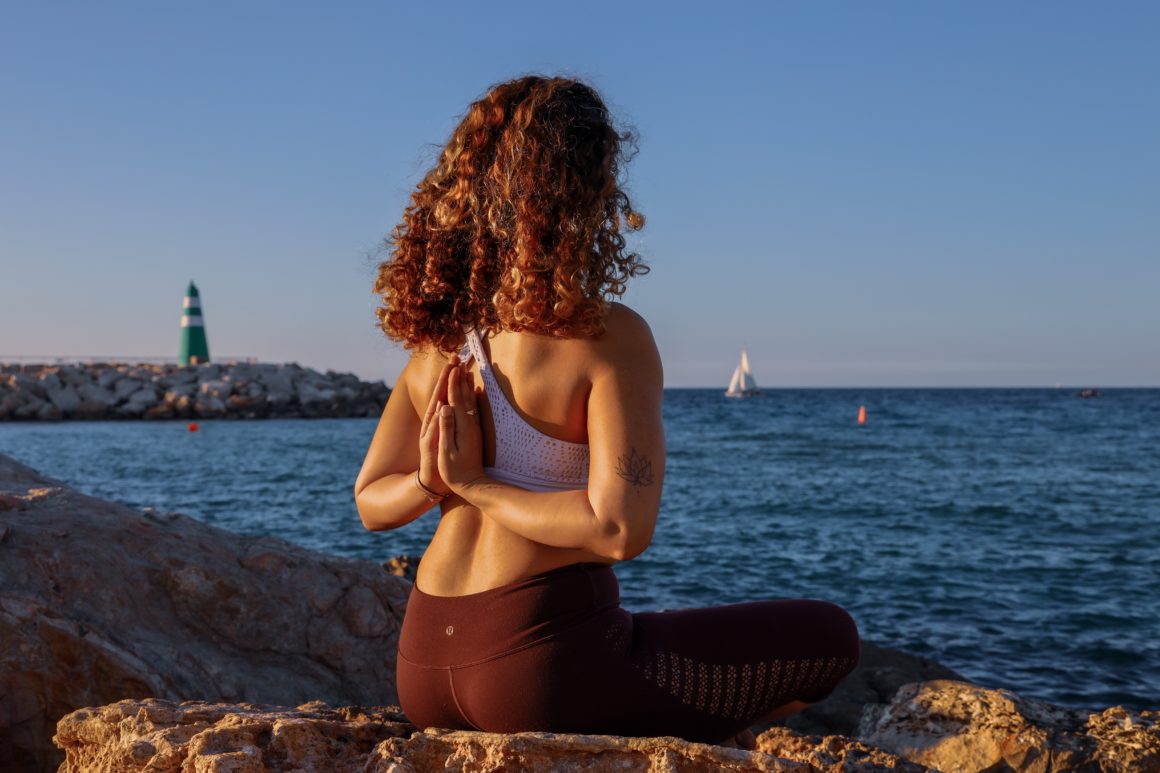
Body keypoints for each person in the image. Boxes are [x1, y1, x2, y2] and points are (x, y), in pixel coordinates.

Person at [354, 75, 859, 746]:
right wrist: (474, 483)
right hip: (535, 671)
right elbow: (618, 528)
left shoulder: (438, 345)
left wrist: (429, 482)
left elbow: (369, 502)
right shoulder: (605, 334)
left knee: (659, 631)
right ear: (587, 191)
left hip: (423, 667)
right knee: (830, 634)